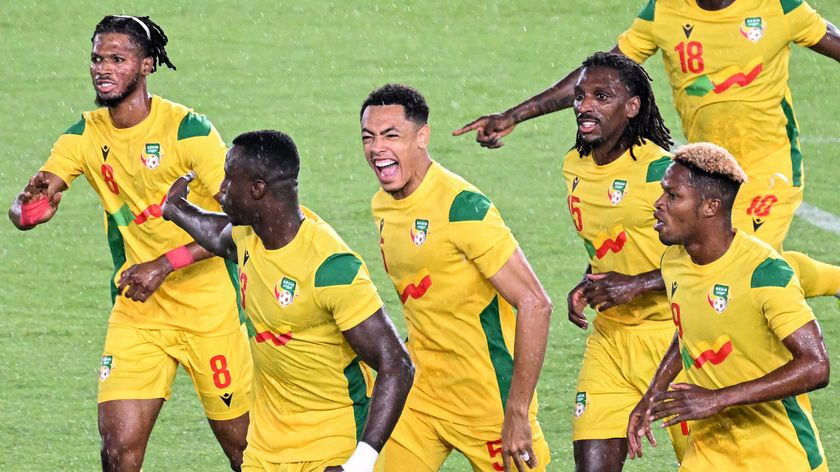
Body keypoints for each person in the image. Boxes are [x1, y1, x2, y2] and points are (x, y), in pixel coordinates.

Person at [454, 0, 840, 299]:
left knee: (736, 269)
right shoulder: (664, 12)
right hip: (709, 170)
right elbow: (601, 74)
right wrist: (516, 115)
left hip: (770, 167)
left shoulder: (778, 7)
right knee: (728, 268)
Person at [8, 15, 252, 471]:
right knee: (118, 449)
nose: (103, 68)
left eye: (117, 59)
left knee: (245, 451)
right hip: (139, 309)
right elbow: (29, 205)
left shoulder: (189, 131)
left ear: (146, 66)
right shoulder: (84, 135)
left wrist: (163, 263)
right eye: (97, 58)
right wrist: (27, 208)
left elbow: (241, 226)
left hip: (209, 310)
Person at [162, 130, 415, 472]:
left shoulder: (331, 267)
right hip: (266, 450)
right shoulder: (250, 237)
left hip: (330, 449)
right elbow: (218, 236)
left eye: (228, 178)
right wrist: (176, 208)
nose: (220, 190)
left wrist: (360, 463)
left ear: (257, 189)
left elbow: (397, 363)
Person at [360, 83, 553, 472]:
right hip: (422, 394)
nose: (377, 147)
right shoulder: (382, 204)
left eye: (391, 135)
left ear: (422, 137)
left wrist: (516, 413)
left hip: (487, 403)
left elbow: (536, 303)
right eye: (369, 137)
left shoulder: (463, 208)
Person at [627, 142, 830, 471]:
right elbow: (688, 333)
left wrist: (718, 398)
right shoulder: (675, 262)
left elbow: (816, 366)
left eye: (673, 196)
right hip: (709, 452)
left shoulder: (764, 273)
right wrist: (653, 393)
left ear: (709, 207)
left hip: (779, 453)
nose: (658, 204)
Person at [561, 52, 688, 471]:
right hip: (611, 341)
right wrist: (588, 281)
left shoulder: (662, 173)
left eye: (602, 96)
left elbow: (713, 261)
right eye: (580, 96)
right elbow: (606, 245)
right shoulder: (573, 166)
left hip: (676, 338)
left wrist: (637, 284)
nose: (585, 106)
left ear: (632, 107)